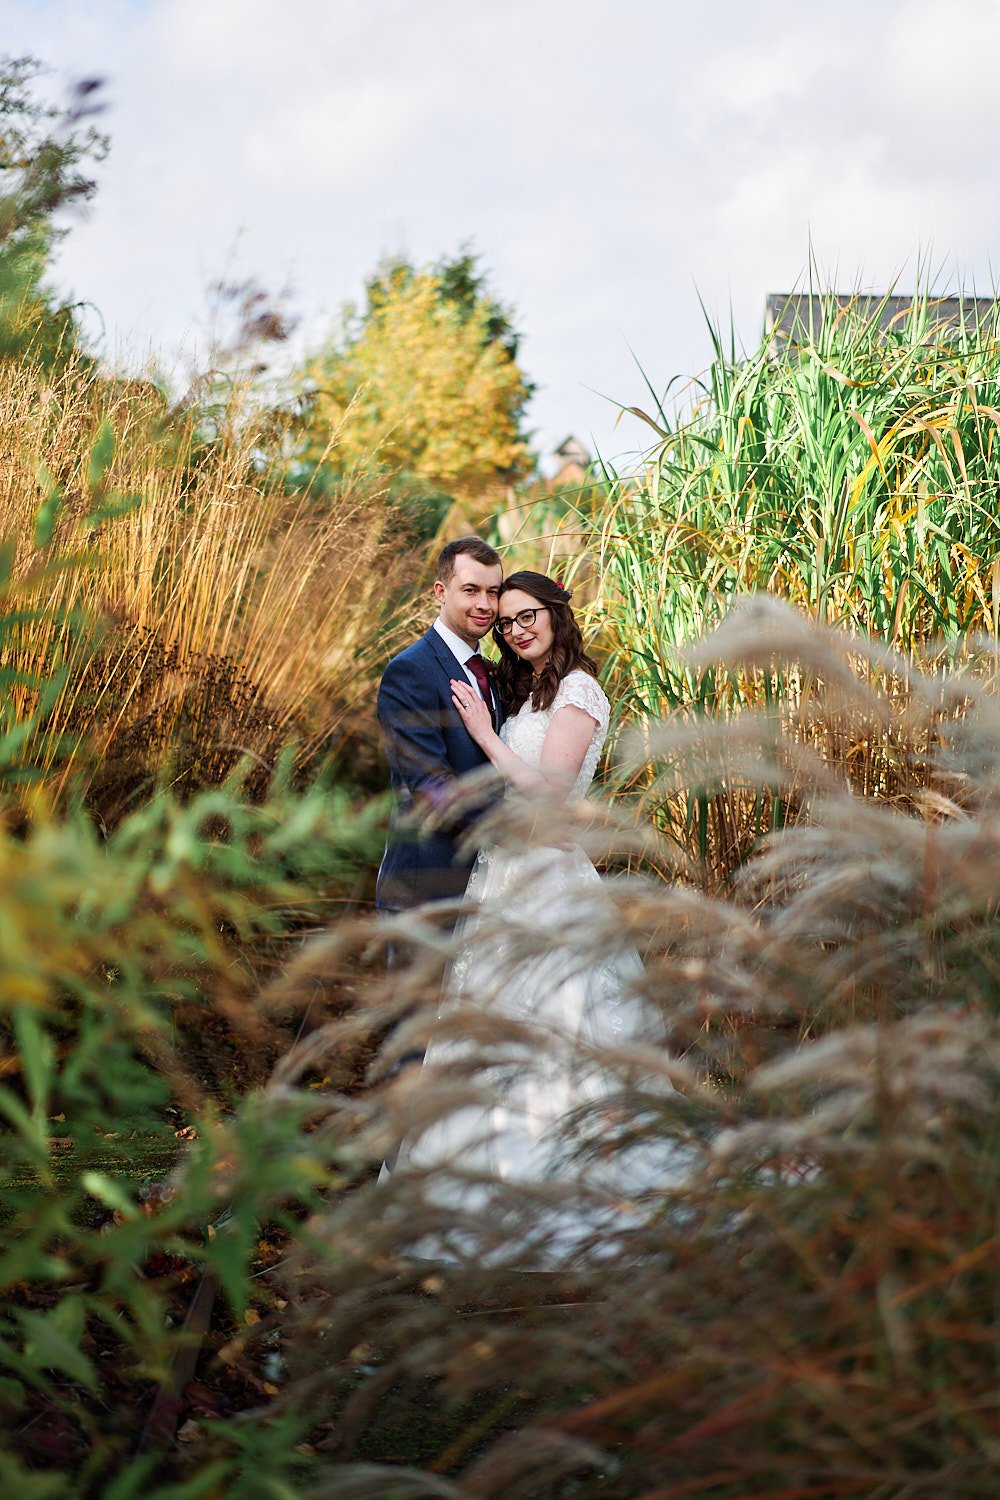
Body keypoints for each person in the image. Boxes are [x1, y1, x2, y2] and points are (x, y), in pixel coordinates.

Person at [385, 571, 673, 1261]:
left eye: (528, 615)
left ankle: (572, 1177)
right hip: (504, 878)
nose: (515, 628)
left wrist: (484, 733)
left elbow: (546, 790)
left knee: (556, 1025)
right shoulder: (528, 691)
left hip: (549, 880)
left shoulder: (578, 691)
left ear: (557, 615)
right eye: (507, 620)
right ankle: (478, 1172)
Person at [375, 536, 504, 914]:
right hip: (426, 890)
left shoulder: (491, 673)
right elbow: (430, 785)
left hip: (487, 889)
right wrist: (514, 829)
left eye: (493, 592)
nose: (484, 604)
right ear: (440, 591)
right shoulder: (411, 671)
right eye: (471, 590)